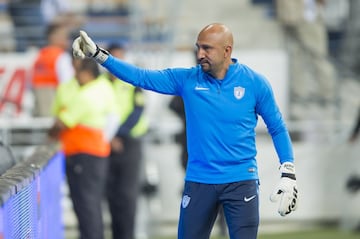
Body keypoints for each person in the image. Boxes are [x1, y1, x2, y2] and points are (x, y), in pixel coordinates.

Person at [72, 23, 298, 239]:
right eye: (198, 47)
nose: (200, 54)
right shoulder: (186, 79)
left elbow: (277, 127)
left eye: (207, 48)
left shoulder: (255, 83)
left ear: (227, 50)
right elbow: (140, 76)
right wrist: (99, 55)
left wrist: (288, 171)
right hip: (199, 182)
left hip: (241, 181)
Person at [48, 58, 118, 239]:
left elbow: (62, 122)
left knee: (86, 204)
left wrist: (51, 133)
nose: (75, 75)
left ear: (87, 73)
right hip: (91, 154)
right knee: (89, 204)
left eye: (78, 71)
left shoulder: (88, 94)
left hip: (84, 155)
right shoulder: (102, 88)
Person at [104, 43, 149, 239]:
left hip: (129, 143)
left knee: (128, 195)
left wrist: (118, 135)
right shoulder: (101, 83)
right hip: (106, 144)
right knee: (111, 195)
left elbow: (137, 111)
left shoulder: (132, 82)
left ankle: (127, 235)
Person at [275, 0, 336, 120]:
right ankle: (300, 96)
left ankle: (327, 94)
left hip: (309, 16)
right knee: (296, 59)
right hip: (291, 16)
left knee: (318, 57)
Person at [31, 22, 74, 117]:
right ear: (53, 37)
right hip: (56, 104)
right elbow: (68, 83)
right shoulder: (62, 57)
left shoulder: (40, 55)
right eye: (64, 36)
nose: (67, 40)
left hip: (39, 104)